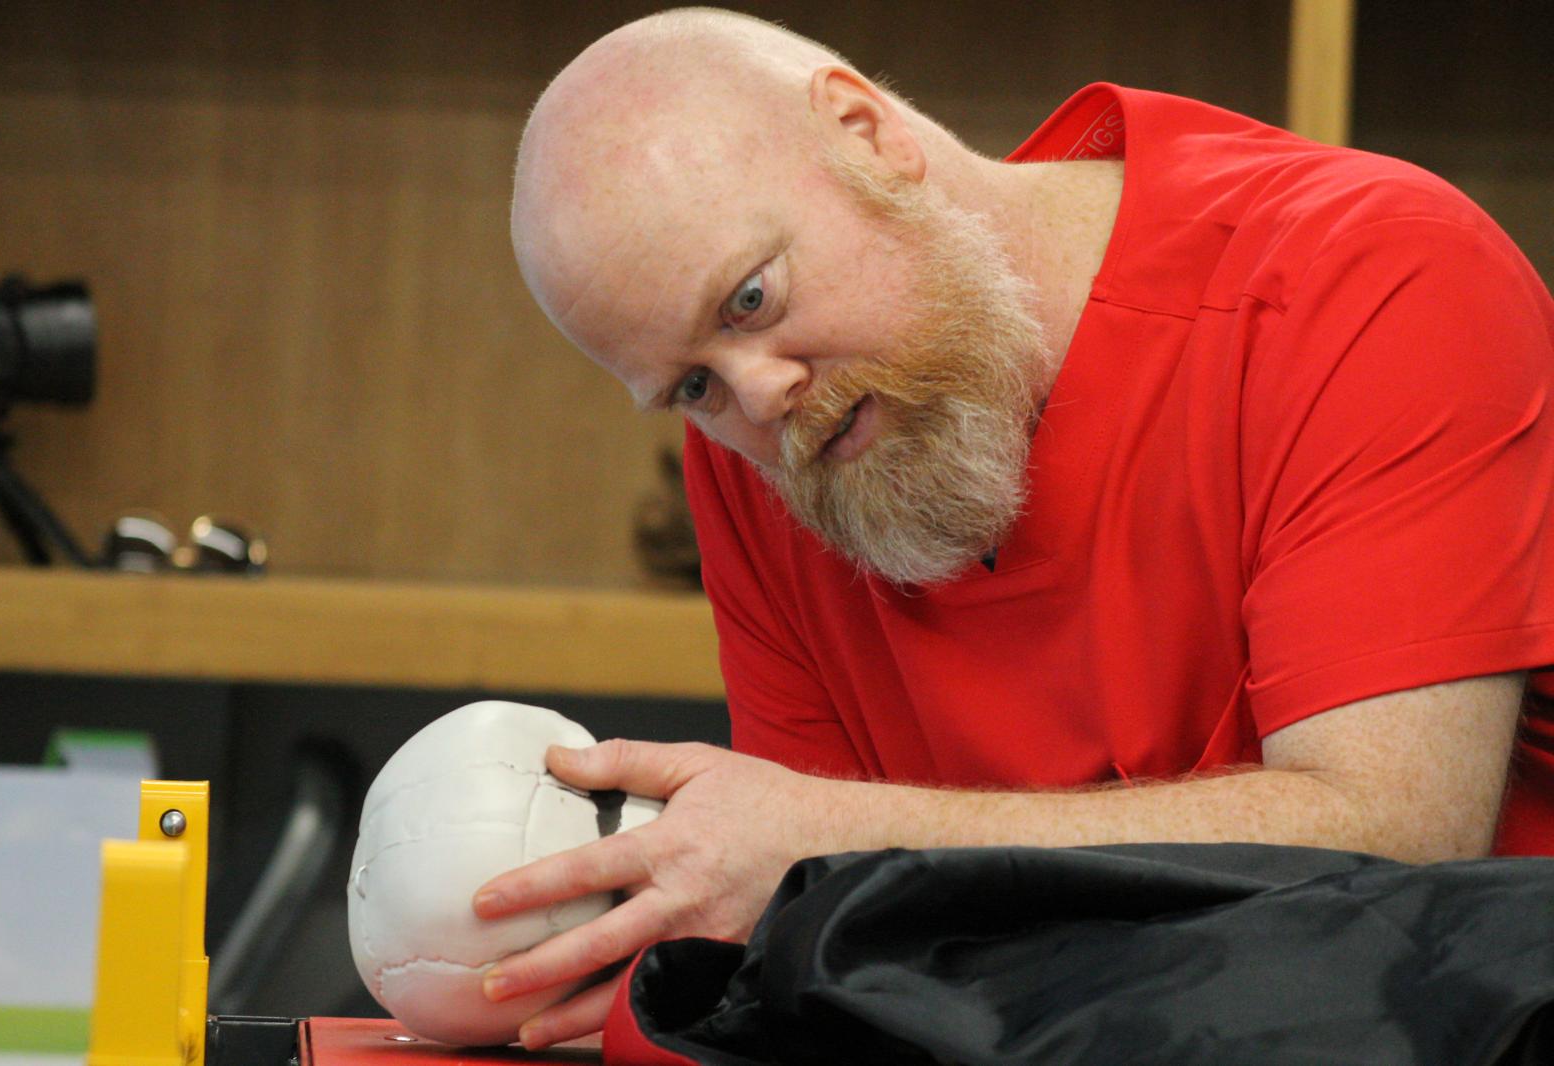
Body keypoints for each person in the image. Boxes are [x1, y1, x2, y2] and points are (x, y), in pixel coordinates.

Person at [478, 7, 1554, 1049]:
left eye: (751, 300)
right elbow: (822, 947)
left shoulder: (1368, 276)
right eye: (691, 386)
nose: (758, 398)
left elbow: (1398, 837)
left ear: (869, 136)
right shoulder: (771, 457)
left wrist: (834, 846)